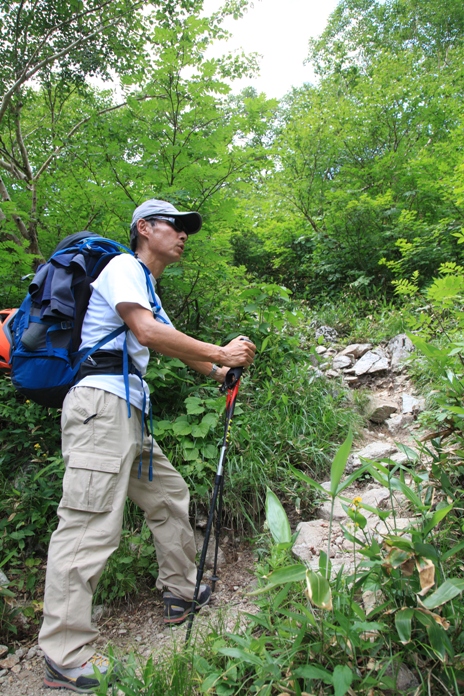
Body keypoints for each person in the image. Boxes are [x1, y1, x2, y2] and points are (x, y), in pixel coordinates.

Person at [38, 199, 256, 693]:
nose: (183, 235)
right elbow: (146, 332)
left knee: (168, 497)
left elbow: (165, 338)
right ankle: (63, 653)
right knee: (89, 524)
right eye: (174, 226)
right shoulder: (121, 267)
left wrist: (217, 370)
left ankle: (181, 591)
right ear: (144, 228)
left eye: (186, 229)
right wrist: (219, 350)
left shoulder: (145, 285)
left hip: (129, 410)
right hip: (101, 407)